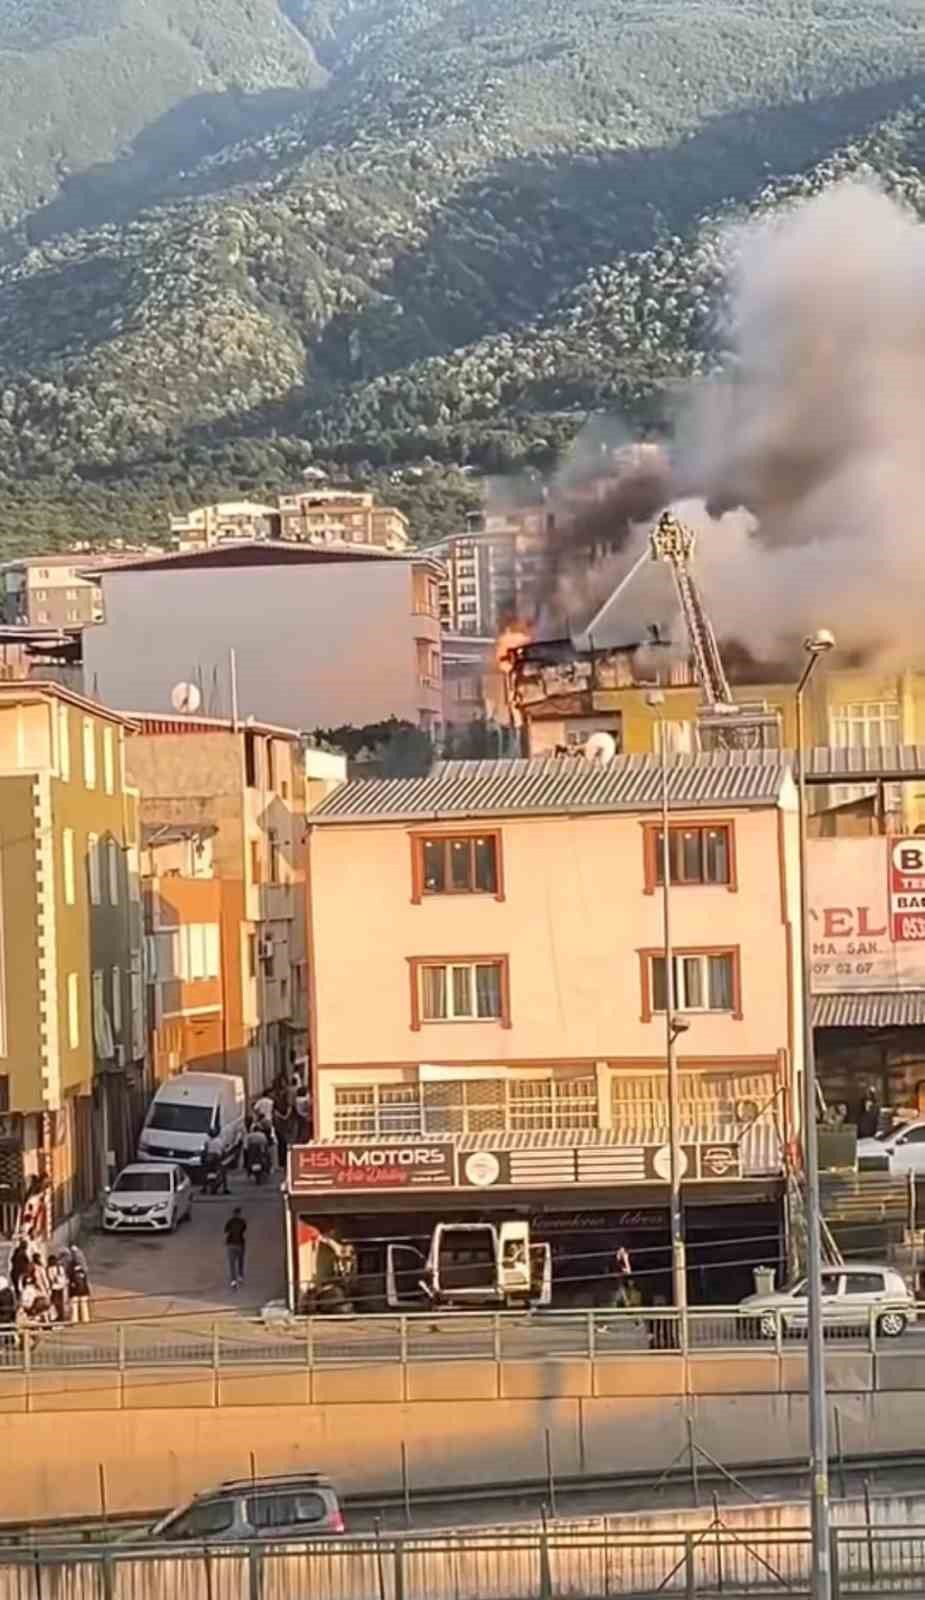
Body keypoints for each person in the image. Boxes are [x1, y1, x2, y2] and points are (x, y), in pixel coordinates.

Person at [66, 1248, 92, 1323]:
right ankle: (85, 1319)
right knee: (83, 1304)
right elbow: (86, 1278)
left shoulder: (70, 1266)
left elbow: (68, 1276)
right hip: (83, 1287)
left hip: (74, 1288)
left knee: (74, 1305)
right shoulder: (83, 1267)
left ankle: (74, 1320)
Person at [224, 1208, 247, 1289]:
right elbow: (244, 1229)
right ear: (239, 1214)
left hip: (230, 1244)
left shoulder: (230, 1221)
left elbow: (226, 1230)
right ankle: (240, 1276)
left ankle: (233, 1280)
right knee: (240, 1260)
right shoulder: (242, 1222)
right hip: (240, 1243)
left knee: (232, 1263)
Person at [47, 1255, 68, 1323]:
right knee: (61, 1303)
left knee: (54, 1303)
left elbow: (50, 1279)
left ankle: (57, 1316)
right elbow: (64, 1276)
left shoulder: (50, 1269)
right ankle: (61, 1316)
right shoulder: (60, 1268)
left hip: (54, 1288)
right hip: (61, 1287)